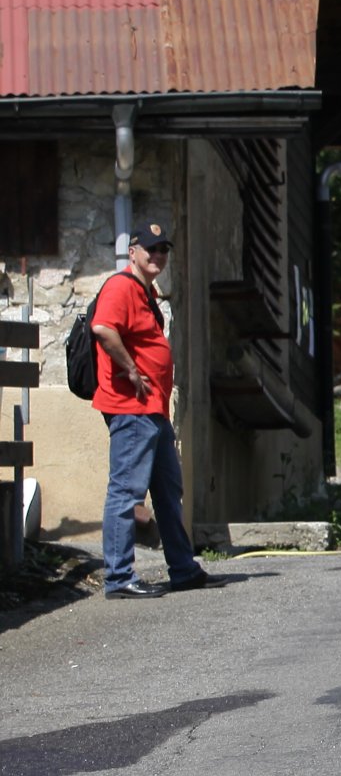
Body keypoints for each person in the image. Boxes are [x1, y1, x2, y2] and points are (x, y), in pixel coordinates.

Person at [90, 221, 207, 598]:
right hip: (131, 409)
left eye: (163, 250)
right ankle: (119, 577)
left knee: (169, 491)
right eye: (151, 249)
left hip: (152, 410)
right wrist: (130, 368)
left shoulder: (146, 292)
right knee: (126, 492)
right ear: (133, 252)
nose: (158, 255)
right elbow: (103, 328)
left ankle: (183, 570)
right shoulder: (121, 286)